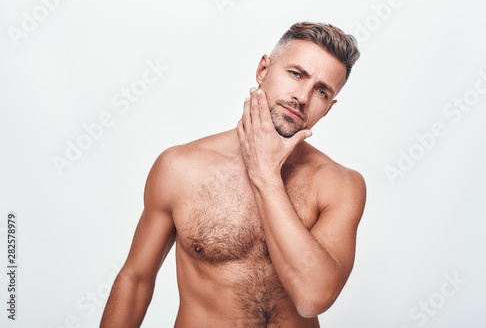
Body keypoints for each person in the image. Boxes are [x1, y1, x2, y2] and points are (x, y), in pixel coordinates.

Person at [100, 21, 366, 328]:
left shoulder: (339, 184)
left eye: (321, 91)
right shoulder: (181, 167)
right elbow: (135, 280)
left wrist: (265, 173)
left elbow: (312, 297)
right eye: (296, 74)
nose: (302, 97)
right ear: (263, 68)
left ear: (329, 108)